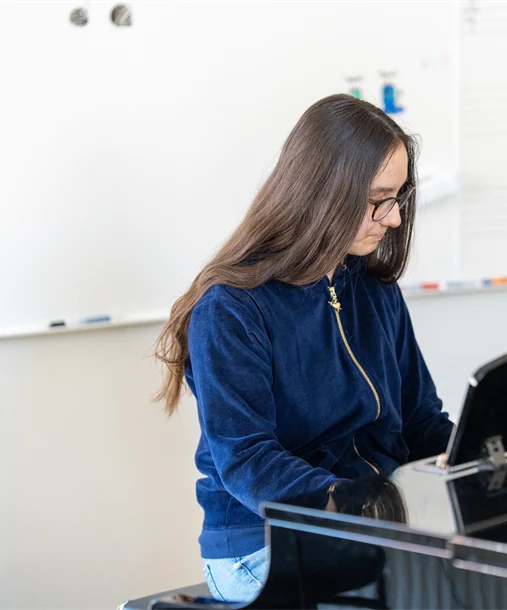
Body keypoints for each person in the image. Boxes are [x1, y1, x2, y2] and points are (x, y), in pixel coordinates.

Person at [154, 94, 454, 604]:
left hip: (371, 525)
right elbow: (249, 461)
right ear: (324, 193)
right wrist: (355, 503)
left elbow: (420, 421)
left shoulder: (374, 287)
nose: (393, 219)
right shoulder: (230, 307)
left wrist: (479, 458)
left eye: (398, 198)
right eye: (378, 200)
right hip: (262, 543)